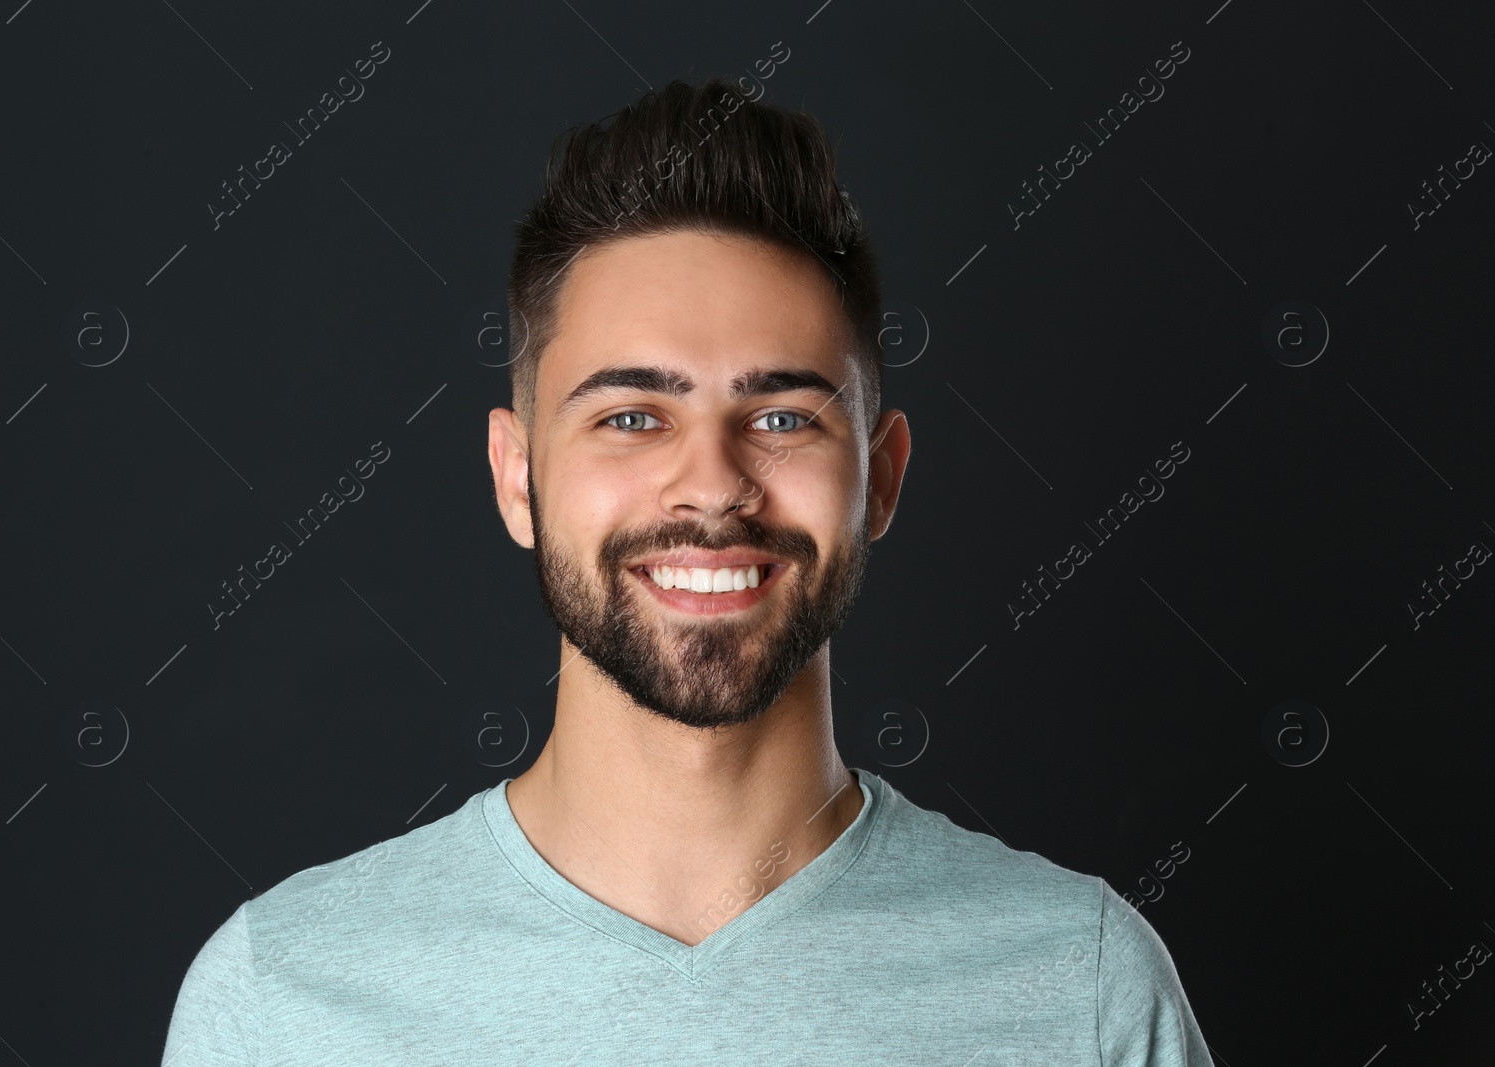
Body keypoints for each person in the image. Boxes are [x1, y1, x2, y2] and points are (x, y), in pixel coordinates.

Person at [161, 77, 1211, 1064]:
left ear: (880, 476)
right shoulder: (282, 1001)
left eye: (781, 417)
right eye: (630, 416)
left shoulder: (1080, 988)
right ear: (517, 477)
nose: (711, 487)